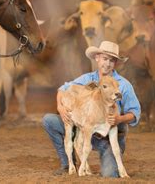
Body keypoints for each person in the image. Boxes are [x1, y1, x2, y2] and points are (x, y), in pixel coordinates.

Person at [42, 41, 141, 177]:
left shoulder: (123, 85)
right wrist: (60, 107)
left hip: (107, 138)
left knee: (110, 174)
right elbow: (63, 88)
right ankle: (67, 164)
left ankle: (109, 158)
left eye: (112, 60)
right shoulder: (88, 79)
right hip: (87, 128)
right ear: (97, 58)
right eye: (105, 59)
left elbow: (135, 113)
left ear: (116, 63)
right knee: (49, 120)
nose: (107, 64)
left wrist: (120, 119)